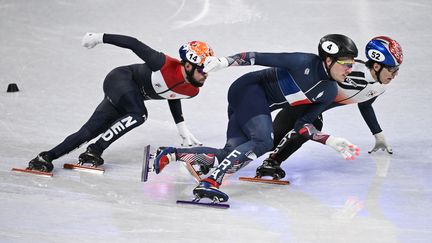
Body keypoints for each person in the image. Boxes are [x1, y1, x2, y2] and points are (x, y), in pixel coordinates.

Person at [153, 34, 360, 202]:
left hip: (253, 105)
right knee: (264, 141)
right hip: (248, 90)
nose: (350, 70)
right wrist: (224, 62)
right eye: (346, 64)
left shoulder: (330, 92)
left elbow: (301, 125)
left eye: (352, 65)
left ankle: (170, 154)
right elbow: (255, 56)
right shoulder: (303, 62)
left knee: (229, 154)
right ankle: (211, 182)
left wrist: (329, 140)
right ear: (329, 59)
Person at [26, 32, 214, 173]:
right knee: (139, 114)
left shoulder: (192, 90)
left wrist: (181, 127)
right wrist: (99, 37)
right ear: (188, 65)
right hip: (120, 79)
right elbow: (134, 43)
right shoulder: (162, 63)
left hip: (129, 97)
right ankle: (96, 149)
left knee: (89, 131)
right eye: (202, 70)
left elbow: (173, 95)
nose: (205, 75)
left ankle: (45, 157)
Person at [256, 36, 403, 179]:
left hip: (313, 112)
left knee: (310, 124)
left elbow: (365, 105)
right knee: (268, 142)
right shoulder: (350, 69)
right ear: (377, 66)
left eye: (397, 69)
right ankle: (236, 153)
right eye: (392, 69)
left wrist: (378, 134)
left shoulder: (381, 87)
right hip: (297, 102)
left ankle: (272, 162)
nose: (395, 74)